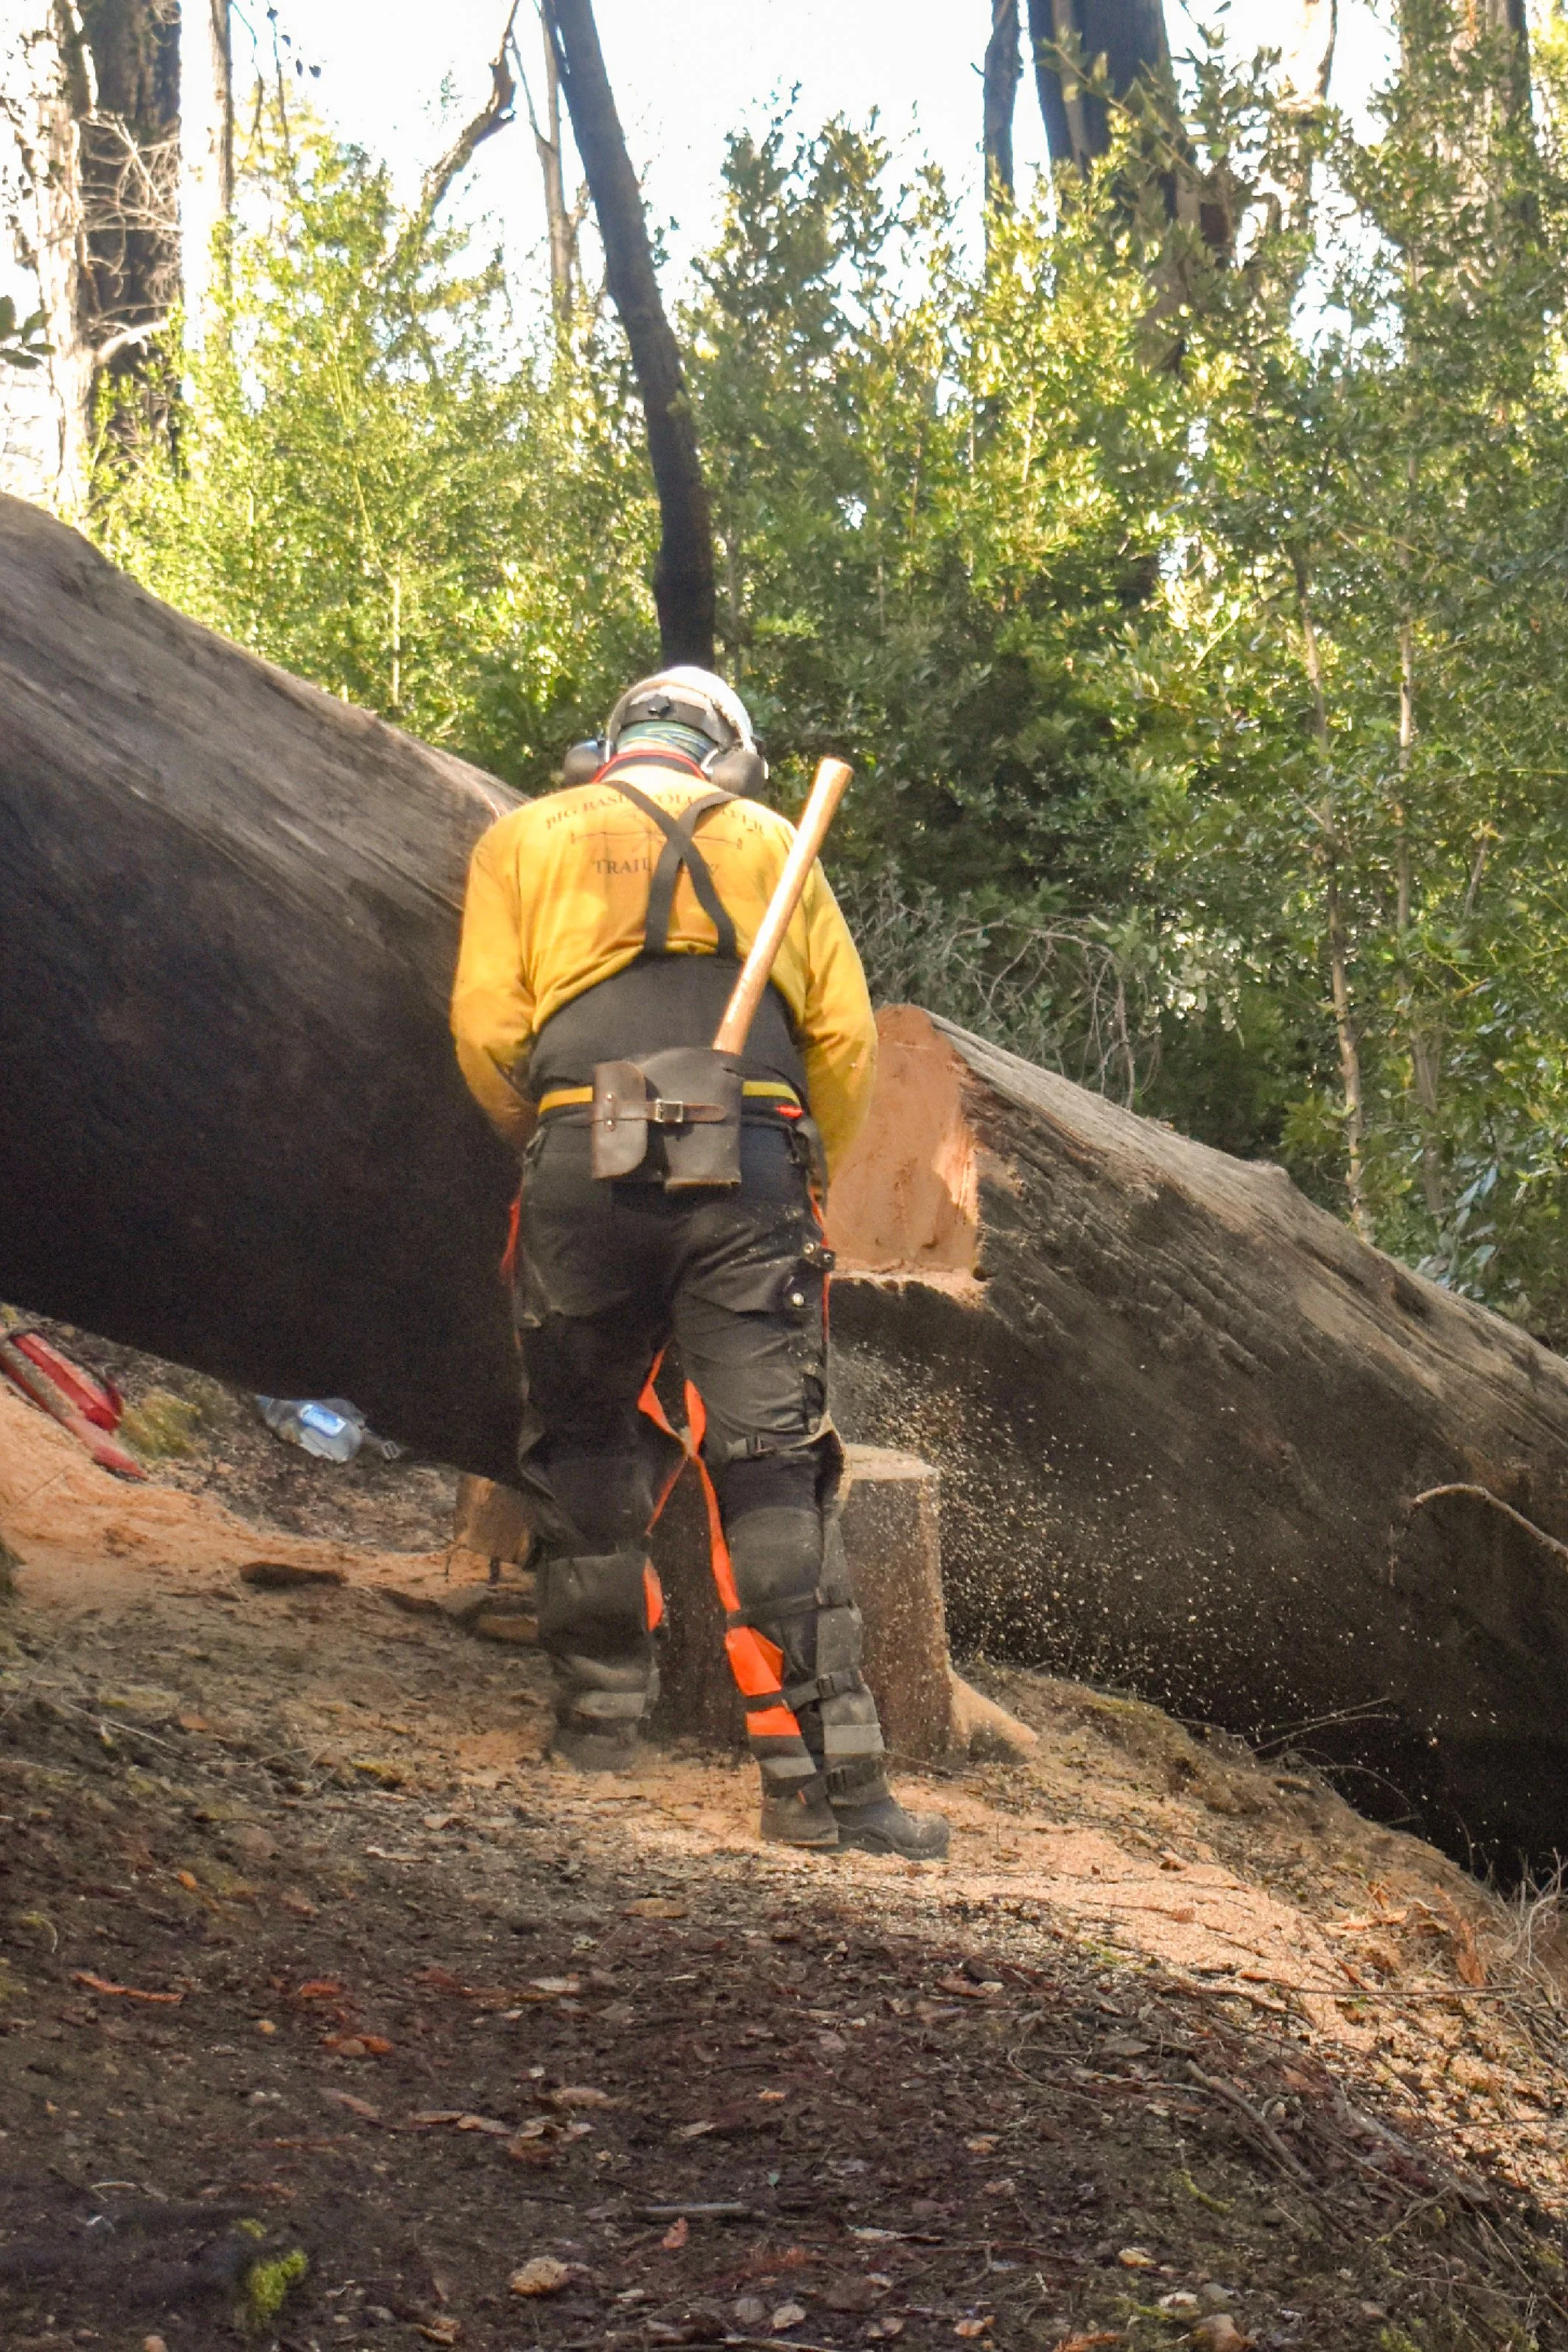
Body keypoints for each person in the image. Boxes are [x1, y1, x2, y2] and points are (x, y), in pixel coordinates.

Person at [450, 666, 949, 1861]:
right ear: (726, 754)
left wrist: (553, 1141)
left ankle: (596, 1731)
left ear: (610, 747)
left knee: (581, 1443)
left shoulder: (524, 837)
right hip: (755, 1161)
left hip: (582, 1151)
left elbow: (487, 1030)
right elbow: (840, 1035)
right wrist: (802, 1162)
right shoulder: (777, 839)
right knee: (772, 1467)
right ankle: (825, 1788)